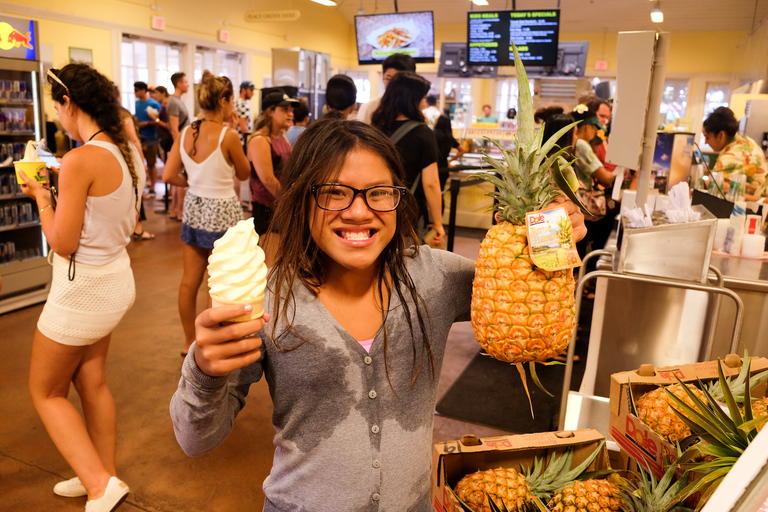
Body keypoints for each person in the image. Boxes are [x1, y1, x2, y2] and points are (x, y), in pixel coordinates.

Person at [169, 118, 586, 510]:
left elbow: (519, 290)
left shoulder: (434, 277)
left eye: (379, 192)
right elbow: (195, 439)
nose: (358, 212)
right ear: (301, 197)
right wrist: (204, 371)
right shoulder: (267, 298)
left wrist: (552, 235)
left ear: (398, 199)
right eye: (334, 192)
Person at [20, 63, 145, 512]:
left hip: (81, 291)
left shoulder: (78, 160)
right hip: (115, 281)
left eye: (57, 108)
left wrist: (42, 196)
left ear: (68, 103)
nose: (56, 117)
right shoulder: (126, 152)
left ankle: (98, 484)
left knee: (45, 390)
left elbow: (64, 242)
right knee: (91, 381)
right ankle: (103, 472)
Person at [162, 70, 250, 357]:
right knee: (224, 282)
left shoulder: (188, 131)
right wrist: (235, 130)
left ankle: (189, 341)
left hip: (195, 209)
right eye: (231, 101)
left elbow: (167, 174)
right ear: (223, 100)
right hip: (223, 212)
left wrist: (193, 181)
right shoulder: (229, 135)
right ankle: (218, 340)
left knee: (190, 280)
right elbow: (244, 172)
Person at [371, 71, 444, 246]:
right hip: (407, 215)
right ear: (412, 99)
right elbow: (431, 183)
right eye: (422, 98)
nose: (424, 103)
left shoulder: (375, 128)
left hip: (375, 206)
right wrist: (438, 223)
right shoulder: (422, 132)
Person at [570, 105, 617, 260]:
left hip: (572, 202)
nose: (595, 132)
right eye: (594, 128)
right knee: (583, 244)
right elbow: (604, 177)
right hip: (581, 203)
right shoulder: (582, 144)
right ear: (588, 126)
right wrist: (619, 171)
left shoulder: (573, 142)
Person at [248, 91, 296, 236]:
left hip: (280, 206)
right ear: (270, 111)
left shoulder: (281, 137)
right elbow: (268, 180)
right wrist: (291, 203)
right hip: (266, 209)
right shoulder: (260, 140)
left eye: (291, 110)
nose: (290, 114)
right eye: (284, 110)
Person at [703, 106, 768, 200]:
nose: (705, 142)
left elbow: (711, 183)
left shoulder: (735, 153)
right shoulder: (745, 141)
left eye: (707, 137)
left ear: (721, 135)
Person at [357, 53, 416, 124]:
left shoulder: (416, 105)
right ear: (383, 76)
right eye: (389, 79)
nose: (393, 85)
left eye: (399, 80)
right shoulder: (370, 107)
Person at [168, 72, 191, 221]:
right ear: (179, 84)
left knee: (178, 180)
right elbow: (174, 128)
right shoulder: (173, 102)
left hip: (181, 144)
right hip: (179, 145)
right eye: (186, 82)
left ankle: (176, 210)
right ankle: (179, 211)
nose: (188, 84)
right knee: (180, 179)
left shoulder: (177, 101)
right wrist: (181, 149)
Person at [133, 81, 162, 197]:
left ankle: (153, 186)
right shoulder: (137, 103)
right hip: (139, 137)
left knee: (151, 163)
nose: (135, 93)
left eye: (136, 90)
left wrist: (147, 123)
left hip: (151, 137)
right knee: (140, 163)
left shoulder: (154, 104)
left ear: (143, 90)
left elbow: (159, 121)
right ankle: (143, 185)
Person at [433, 114, 466, 209]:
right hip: (444, 168)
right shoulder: (449, 137)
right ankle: (438, 222)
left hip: (433, 167)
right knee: (440, 194)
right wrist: (450, 160)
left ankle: (428, 221)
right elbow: (463, 150)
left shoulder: (433, 134)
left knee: (428, 195)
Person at [234, 81, 256, 209]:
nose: (252, 93)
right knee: (248, 173)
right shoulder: (243, 105)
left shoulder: (235, 103)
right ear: (244, 90)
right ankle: (249, 203)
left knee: (235, 174)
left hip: (236, 141)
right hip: (242, 142)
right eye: (251, 90)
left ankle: (239, 201)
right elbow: (243, 127)